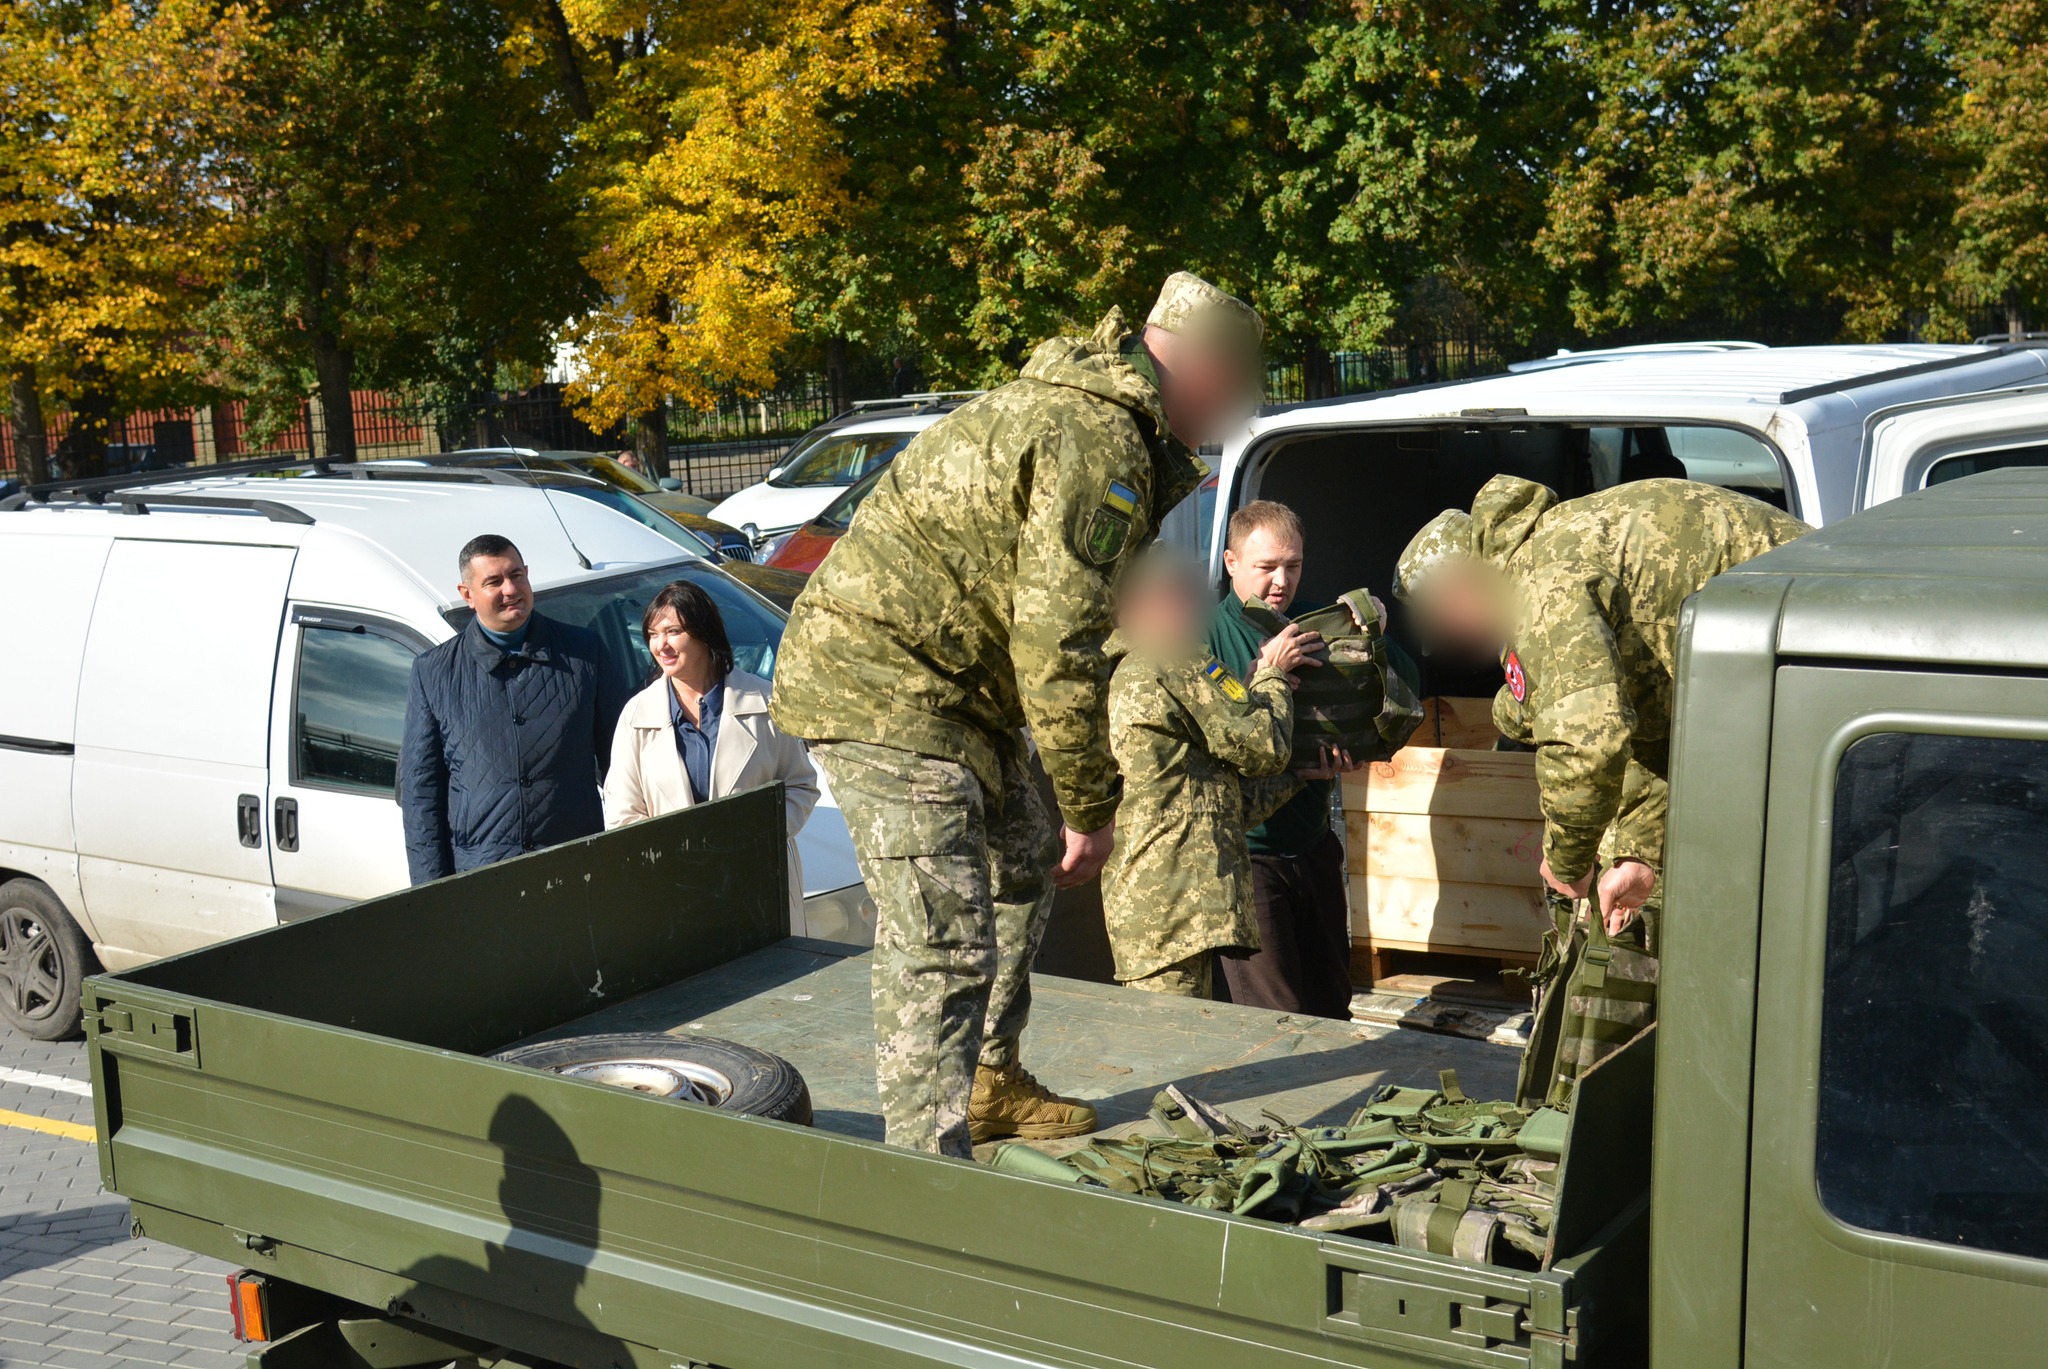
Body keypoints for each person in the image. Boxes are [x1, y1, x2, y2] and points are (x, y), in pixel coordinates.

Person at [770, 271, 1264, 1157]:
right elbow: (1059, 649)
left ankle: (990, 1079)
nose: (1235, 418)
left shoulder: (1105, 413)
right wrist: (1092, 807)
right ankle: (928, 1165)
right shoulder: (1100, 438)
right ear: (1200, 370)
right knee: (943, 938)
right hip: (880, 680)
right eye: (1236, 393)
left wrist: (1066, 815)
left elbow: (1068, 623)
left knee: (1022, 857)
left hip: (955, 686)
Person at [1394, 475, 1807, 1095]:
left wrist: (1569, 860)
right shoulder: (1558, 550)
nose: (1462, 644)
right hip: (1798, 690)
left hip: (1822, 696)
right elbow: (1651, 725)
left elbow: (1590, 740)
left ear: (1460, 590)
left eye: (1450, 625)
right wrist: (1640, 852)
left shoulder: (1541, 580)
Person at [1101, 550, 1325, 996]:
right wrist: (1272, 674)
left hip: (1156, 906)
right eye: (1187, 597)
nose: (1200, 610)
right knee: (1177, 1048)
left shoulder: (1127, 669)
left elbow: (1211, 805)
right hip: (1183, 904)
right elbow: (1263, 746)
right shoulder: (1174, 658)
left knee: (1167, 1044)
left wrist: (1300, 776)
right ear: (1155, 603)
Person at [1205, 500, 1366, 1019]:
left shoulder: (1311, 623)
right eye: (1267, 566)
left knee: (1331, 1004)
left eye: (1293, 566)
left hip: (1313, 846)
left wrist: (1373, 623)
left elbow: (1385, 693)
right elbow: (1222, 739)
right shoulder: (1204, 640)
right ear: (1231, 563)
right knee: (1273, 1017)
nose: (1282, 581)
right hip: (1251, 856)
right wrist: (1265, 671)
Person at [399, 534, 626, 884]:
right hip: (482, 879)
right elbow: (420, 793)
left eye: (517, 575)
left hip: (575, 869)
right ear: (467, 595)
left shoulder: (584, 653)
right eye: (494, 581)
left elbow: (623, 765)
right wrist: (430, 896)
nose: (511, 589)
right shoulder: (434, 672)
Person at [602, 579, 819, 920]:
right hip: (677, 894)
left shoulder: (764, 702)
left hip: (759, 884)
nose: (662, 646)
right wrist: (675, 860)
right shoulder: (636, 716)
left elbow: (801, 785)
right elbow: (622, 815)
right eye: (653, 634)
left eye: (673, 631)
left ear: (704, 633)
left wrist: (757, 839)